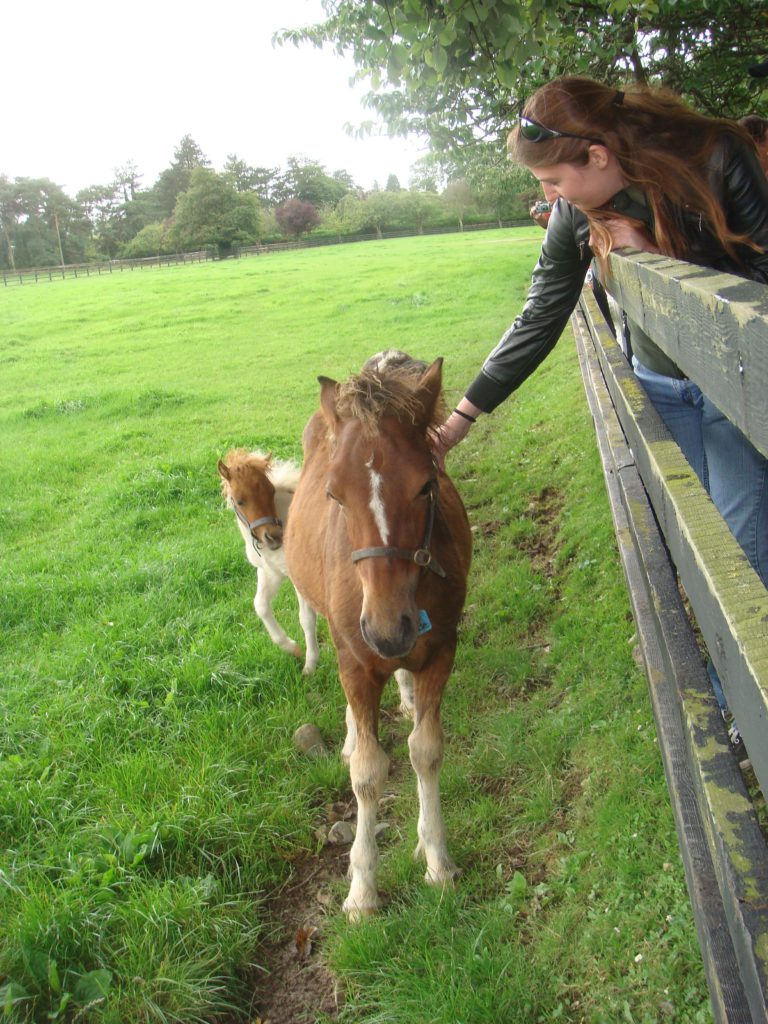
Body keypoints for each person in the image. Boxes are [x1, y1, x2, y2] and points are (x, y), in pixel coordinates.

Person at [434, 76, 768, 743]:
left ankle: (744, 712)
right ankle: (726, 682)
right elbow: (540, 314)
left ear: (597, 156)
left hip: (735, 398)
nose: (549, 197)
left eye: (555, 179)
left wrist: (666, 263)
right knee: (690, 542)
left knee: (743, 549)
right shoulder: (573, 213)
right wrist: (456, 424)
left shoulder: (718, 157)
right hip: (662, 389)